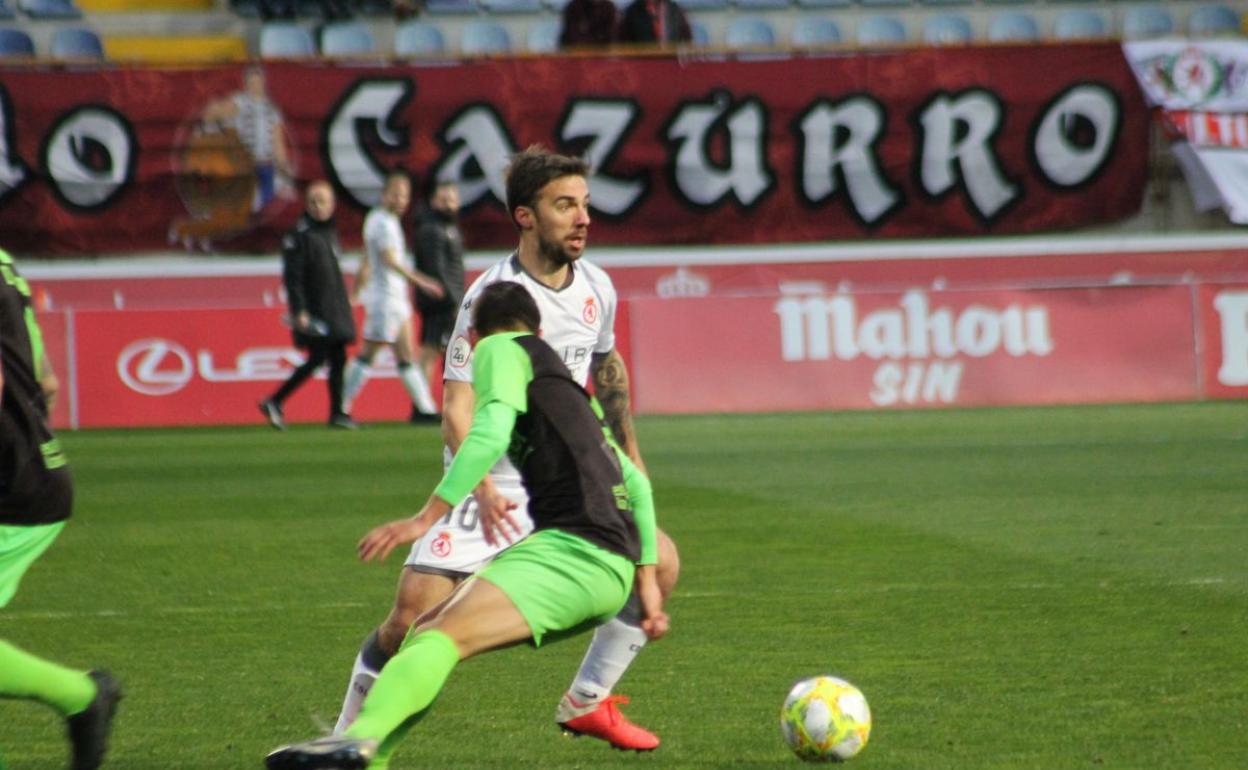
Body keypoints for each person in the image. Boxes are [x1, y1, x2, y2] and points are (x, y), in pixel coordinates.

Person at [331, 146, 681, 751]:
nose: (583, 218)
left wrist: (630, 459)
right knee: (409, 620)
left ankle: (587, 698)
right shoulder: (489, 298)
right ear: (525, 216)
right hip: (493, 481)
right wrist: (484, 488)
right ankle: (343, 741)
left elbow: (606, 371)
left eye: (585, 204)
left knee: (663, 561)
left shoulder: (598, 287)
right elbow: (458, 410)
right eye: (565, 205)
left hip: (568, 479)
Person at [266, 280, 669, 770]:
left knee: (437, 638)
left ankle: (359, 739)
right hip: (607, 568)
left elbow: (489, 433)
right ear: (540, 330)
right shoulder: (567, 388)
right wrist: (647, 584)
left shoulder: (499, 349)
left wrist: (424, 518)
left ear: (474, 338)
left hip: (574, 554)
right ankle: (368, 754)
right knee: (430, 632)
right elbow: (636, 485)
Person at [0, 248, 122, 770]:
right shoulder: (5, 262)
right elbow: (45, 378)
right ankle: (82, 698)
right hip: (30, 468)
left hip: (12, 484)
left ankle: (82, 697)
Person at [342, 170, 446, 423]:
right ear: (384, 194)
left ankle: (425, 409)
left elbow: (367, 259)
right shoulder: (382, 223)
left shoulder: (382, 220)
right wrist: (422, 281)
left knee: (407, 355)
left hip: (395, 298)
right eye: (396, 194)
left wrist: (357, 290)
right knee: (368, 353)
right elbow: (389, 260)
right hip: (385, 299)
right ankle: (341, 406)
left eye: (404, 196)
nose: (401, 200)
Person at [259, 180, 358, 431]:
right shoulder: (300, 235)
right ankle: (276, 400)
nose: (318, 206)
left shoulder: (328, 232)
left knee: (337, 356)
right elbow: (293, 277)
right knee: (319, 357)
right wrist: (300, 310)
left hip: (333, 305)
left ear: (332, 204)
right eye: (313, 201)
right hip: (316, 308)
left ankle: (337, 412)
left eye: (322, 201)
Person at [410, 181, 465, 424]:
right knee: (432, 351)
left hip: (445, 299)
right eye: (444, 200)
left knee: (439, 351)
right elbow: (437, 269)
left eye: (452, 199)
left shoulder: (447, 228)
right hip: (439, 301)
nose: (449, 204)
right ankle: (421, 406)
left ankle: (426, 404)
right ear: (433, 202)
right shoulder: (432, 229)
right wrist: (455, 301)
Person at [617, 0, 691, 45]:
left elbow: (686, 39)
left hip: (671, 61)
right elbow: (622, 41)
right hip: (643, 62)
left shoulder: (675, 9)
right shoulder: (631, 12)